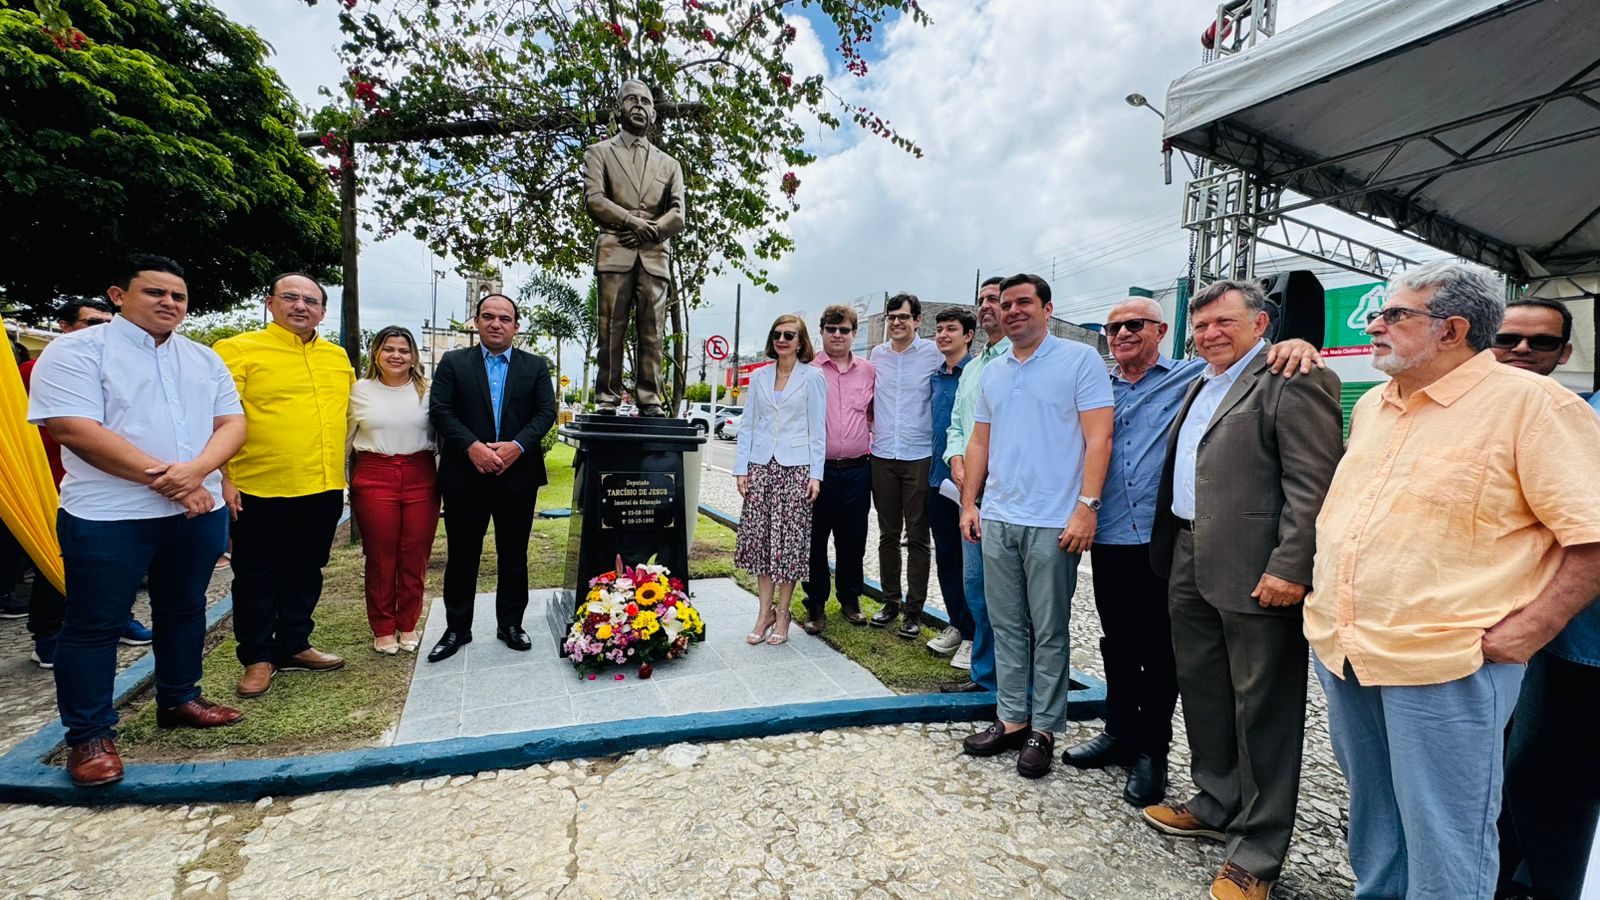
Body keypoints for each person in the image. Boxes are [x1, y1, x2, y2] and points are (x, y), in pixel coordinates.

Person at [1308, 261, 1600, 900]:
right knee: (1376, 822)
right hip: (1349, 647)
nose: (1376, 325)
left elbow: (1593, 537)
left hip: (1450, 660)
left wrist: (1532, 628)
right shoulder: (1380, 406)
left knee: (1449, 839)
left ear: (1452, 330)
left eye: (1394, 315)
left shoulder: (1534, 405)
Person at [1070, 297, 1321, 808]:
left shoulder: (1192, 376)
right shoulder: (1097, 385)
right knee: (1116, 643)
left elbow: (1258, 368)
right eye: (1112, 326)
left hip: (1169, 540)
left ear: (1161, 330)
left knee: (1164, 652)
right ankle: (1119, 732)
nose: (1121, 334)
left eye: (1134, 324)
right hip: (1112, 531)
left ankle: (1152, 752)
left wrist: (1296, 343)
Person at [1142, 279, 1343, 900]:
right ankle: (1215, 800)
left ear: (1262, 325)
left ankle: (1257, 850)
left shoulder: (1293, 376)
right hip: (1188, 552)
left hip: (1259, 569)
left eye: (1224, 323)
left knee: (1264, 708)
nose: (1210, 335)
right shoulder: (1203, 381)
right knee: (1203, 688)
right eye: (1200, 326)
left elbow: (1313, 484)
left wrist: (1292, 565)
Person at [28, 254, 246, 787]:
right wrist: (174, 480)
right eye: (155, 292)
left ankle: (179, 697)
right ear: (119, 295)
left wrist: (197, 474)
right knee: (94, 624)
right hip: (110, 515)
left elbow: (233, 423)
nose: (169, 303)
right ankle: (90, 735)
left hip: (195, 512)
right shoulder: (76, 352)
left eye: (178, 296)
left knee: (184, 609)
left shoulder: (201, 359)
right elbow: (74, 429)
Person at [958, 273, 1113, 780]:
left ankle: (1045, 728)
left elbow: (1098, 437)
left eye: (1024, 302)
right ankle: (1011, 719)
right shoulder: (995, 372)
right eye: (1005, 304)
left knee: (1048, 630)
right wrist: (969, 502)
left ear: (1048, 309)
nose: (1013, 311)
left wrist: (1087, 506)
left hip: (1053, 522)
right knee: (1004, 625)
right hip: (999, 516)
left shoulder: (1079, 360)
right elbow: (979, 443)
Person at [1488, 296, 1600, 900]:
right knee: (1514, 777)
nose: (1523, 352)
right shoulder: (1451, 410)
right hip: (1496, 636)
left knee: (1550, 782)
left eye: (1541, 343)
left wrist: (1539, 625)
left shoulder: (1576, 416)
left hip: (1565, 641)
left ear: (1565, 353)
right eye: (1509, 339)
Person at [214, 273, 355, 698]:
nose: (301, 306)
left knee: (306, 571)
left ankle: (295, 643)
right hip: (258, 486)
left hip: (322, 486)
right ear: (269, 303)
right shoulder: (236, 351)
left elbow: (347, 419)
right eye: (290, 297)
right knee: (256, 575)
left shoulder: (337, 358)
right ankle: (258, 656)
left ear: (323, 312)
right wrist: (224, 477)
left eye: (311, 301)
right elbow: (215, 419)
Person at [16, 298, 152, 669]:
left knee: (120, 567)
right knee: (59, 560)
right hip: (55, 480)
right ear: (64, 325)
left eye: (108, 322)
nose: (102, 329)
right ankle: (48, 633)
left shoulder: (126, 367)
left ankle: (119, 618)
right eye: (92, 322)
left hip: (127, 481)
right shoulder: (40, 367)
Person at [427, 294, 558, 662]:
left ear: (516, 326)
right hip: (465, 475)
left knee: (513, 554)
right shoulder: (454, 362)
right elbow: (440, 410)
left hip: (518, 476)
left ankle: (511, 625)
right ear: (476, 321)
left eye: (505, 318)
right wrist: (473, 447)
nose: (496, 323)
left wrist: (517, 446)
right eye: (488, 316)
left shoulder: (535, 366)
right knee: (462, 556)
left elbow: (546, 411)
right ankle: (457, 629)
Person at [581, 78, 687, 416]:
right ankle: (607, 398)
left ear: (654, 114)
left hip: (655, 255)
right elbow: (595, 200)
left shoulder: (670, 164)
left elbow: (678, 213)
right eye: (631, 100)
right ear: (619, 108)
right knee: (610, 327)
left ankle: (650, 398)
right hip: (615, 251)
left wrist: (649, 231)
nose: (639, 106)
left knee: (653, 331)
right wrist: (632, 222)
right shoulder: (599, 153)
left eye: (645, 101)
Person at [734, 314, 826, 646]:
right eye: (777, 334)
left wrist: (816, 474)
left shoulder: (813, 377)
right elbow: (748, 425)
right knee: (760, 539)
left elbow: (818, 429)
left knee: (789, 543)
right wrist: (741, 468)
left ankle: (784, 613)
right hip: (761, 465)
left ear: (801, 342)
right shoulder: (758, 377)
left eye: (790, 335)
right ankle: (764, 612)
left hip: (796, 468)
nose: (782, 339)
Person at [348, 326, 439, 656]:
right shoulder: (360, 390)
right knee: (381, 556)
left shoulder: (428, 391)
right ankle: (383, 627)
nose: (396, 355)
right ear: (376, 353)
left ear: (414, 356)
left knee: (415, 554)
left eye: (404, 350)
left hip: (421, 473)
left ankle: (408, 623)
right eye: (389, 349)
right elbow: (346, 439)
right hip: (375, 473)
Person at [940, 277, 1007, 694]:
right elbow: (957, 425)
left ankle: (1015, 682)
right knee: (976, 588)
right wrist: (957, 460)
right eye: (981, 299)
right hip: (970, 495)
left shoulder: (1020, 361)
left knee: (1010, 596)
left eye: (995, 300)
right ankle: (985, 676)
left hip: (1006, 493)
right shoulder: (975, 368)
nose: (986, 306)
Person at [868, 292, 943, 638]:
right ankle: (890, 603)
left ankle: (914, 612)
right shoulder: (876, 356)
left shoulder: (933, 353)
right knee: (886, 534)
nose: (896, 322)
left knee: (917, 537)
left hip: (919, 456)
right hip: (882, 454)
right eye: (891, 316)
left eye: (903, 316)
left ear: (917, 320)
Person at [801, 304, 875, 634]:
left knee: (853, 538)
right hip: (818, 472)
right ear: (821, 331)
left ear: (854, 334)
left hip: (859, 470)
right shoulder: (808, 369)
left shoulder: (869, 371)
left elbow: (873, 414)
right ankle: (815, 604)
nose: (837, 335)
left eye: (844, 330)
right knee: (814, 540)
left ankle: (850, 599)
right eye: (831, 328)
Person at [926, 307, 976, 666]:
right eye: (939, 329)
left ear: (968, 335)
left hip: (972, 483)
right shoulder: (935, 378)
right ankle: (957, 625)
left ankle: (975, 635)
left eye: (951, 329)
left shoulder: (977, 374)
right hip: (937, 480)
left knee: (972, 565)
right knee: (946, 558)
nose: (943, 335)